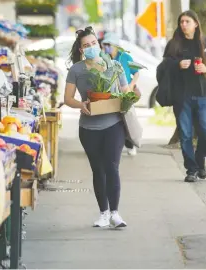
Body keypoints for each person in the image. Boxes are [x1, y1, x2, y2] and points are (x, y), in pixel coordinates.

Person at [64, 26, 130, 228]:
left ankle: (115, 214)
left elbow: (125, 91)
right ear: (81, 49)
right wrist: (80, 105)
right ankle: (103, 213)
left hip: (114, 125)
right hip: (89, 128)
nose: (91, 47)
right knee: (98, 169)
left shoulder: (114, 66)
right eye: (86, 45)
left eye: (94, 43)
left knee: (112, 167)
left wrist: (126, 100)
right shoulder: (76, 70)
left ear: (99, 45)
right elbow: (67, 98)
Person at [161, 10, 206, 182]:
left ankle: (200, 159)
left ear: (195, 23)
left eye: (187, 21)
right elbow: (164, 66)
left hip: (202, 95)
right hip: (181, 97)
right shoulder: (174, 45)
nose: (183, 25)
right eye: (181, 22)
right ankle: (191, 169)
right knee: (185, 134)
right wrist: (178, 64)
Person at [101, 33, 141, 156]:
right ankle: (109, 145)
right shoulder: (103, 58)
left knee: (127, 119)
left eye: (110, 45)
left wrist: (132, 85)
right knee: (111, 120)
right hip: (109, 93)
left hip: (125, 93)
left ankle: (130, 143)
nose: (108, 47)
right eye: (105, 44)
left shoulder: (125, 57)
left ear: (116, 46)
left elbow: (136, 73)